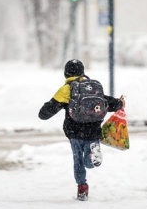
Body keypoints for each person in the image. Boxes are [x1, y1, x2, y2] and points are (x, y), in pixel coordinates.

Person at [38, 59, 125, 201]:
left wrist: (45, 110)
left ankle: (82, 188)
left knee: (78, 160)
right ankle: (92, 154)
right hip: (93, 130)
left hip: (75, 132)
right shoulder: (93, 87)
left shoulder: (66, 90)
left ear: (66, 73)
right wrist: (120, 102)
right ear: (83, 72)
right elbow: (107, 102)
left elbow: (45, 113)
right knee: (88, 161)